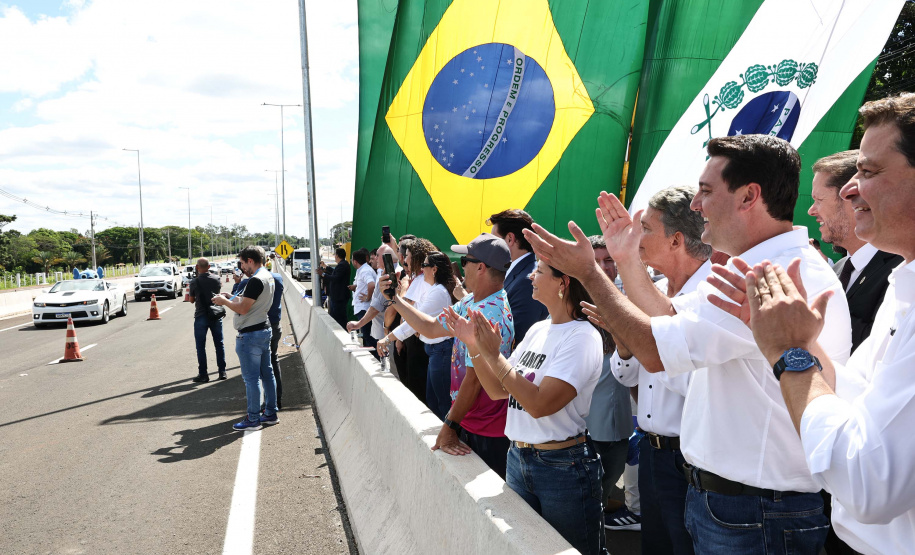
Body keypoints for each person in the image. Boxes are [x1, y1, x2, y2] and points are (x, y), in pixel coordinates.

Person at [523, 134, 852, 554]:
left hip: (754, 511)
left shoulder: (777, 275)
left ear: (750, 196)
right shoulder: (751, 268)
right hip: (734, 504)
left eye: (707, 191)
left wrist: (591, 274)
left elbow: (655, 351)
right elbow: (669, 318)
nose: (697, 205)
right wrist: (624, 259)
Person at [708, 93, 915, 555]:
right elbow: (859, 393)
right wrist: (797, 341)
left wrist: (790, 355)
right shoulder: (905, 284)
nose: (848, 190)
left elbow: (868, 485)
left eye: (871, 171)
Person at [442, 259, 606, 555]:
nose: (531, 275)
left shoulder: (582, 336)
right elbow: (496, 390)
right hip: (518, 458)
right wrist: (475, 347)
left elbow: (540, 404)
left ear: (563, 282)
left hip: (562, 467)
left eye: (540, 271)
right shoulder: (538, 330)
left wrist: (494, 354)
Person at [591, 187, 711, 553]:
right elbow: (629, 376)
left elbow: (690, 379)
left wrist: (644, 343)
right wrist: (626, 342)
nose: (635, 238)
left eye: (645, 229)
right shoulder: (652, 290)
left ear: (676, 240)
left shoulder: (710, 293)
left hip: (689, 462)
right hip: (653, 451)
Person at [380, 233, 514, 478]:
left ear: (481, 267)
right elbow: (431, 326)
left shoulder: (488, 314)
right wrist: (396, 300)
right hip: (472, 420)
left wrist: (450, 425)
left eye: (465, 262)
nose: (458, 268)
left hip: (484, 429)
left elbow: (474, 380)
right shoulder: (473, 301)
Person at [809, 150, 904, 352]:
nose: (811, 210)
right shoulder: (835, 272)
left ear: (851, 198)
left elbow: (876, 349)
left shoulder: (902, 269)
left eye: (818, 199)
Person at [579, 235, 635, 531]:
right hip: (584, 414)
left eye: (609, 259)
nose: (604, 267)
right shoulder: (574, 296)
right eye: (596, 260)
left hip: (615, 410)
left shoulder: (632, 296)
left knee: (607, 474)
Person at [377, 251, 456, 419]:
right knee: (433, 400)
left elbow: (414, 323)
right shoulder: (432, 289)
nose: (421, 269)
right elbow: (414, 316)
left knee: (441, 403)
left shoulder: (438, 293)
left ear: (434, 269)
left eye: (424, 265)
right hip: (435, 350)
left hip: (441, 351)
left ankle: (449, 438)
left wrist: (387, 338)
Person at [212, 246, 278, 431]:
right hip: (264, 330)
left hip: (251, 335)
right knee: (267, 374)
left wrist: (224, 302)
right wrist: (230, 296)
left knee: (252, 379)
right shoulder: (267, 276)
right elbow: (249, 301)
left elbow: (243, 309)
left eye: (242, 263)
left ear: (250, 260)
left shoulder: (256, 280)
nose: (241, 267)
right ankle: (270, 413)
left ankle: (253, 418)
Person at [488, 209, 548, 342]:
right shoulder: (520, 275)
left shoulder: (528, 281)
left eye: (493, 240)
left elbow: (517, 338)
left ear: (510, 239)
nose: (490, 247)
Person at [188, 257, 227, 383]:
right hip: (215, 315)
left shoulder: (194, 281)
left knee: (201, 346)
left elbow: (191, 300)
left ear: (197, 267)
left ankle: (203, 374)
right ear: (209, 267)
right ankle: (222, 372)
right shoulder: (216, 279)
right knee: (219, 344)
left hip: (201, 315)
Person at [349, 248, 377, 355]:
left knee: (369, 338)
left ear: (355, 261)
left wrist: (367, 298)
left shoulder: (365, 270)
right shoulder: (362, 270)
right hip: (363, 308)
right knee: (367, 337)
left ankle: (375, 359)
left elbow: (372, 285)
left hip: (364, 308)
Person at [319, 248, 351, 328]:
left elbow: (335, 278)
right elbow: (335, 272)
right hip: (337, 297)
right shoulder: (342, 265)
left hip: (339, 297)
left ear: (337, 255)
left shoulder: (343, 265)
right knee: (335, 317)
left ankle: (344, 333)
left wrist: (323, 274)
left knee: (339, 319)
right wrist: (325, 266)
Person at [268, 267, 285, 410]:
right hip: (276, 324)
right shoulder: (278, 278)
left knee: (263, 367)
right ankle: (277, 400)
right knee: (273, 361)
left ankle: (269, 403)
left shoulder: (254, 281)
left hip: (262, 327)